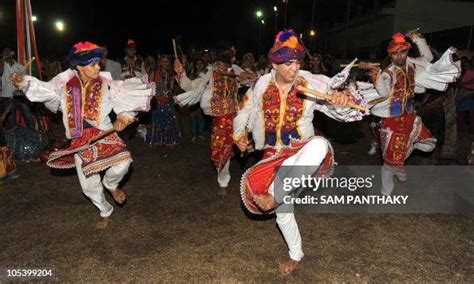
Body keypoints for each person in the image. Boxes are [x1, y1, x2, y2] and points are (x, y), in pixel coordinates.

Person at [233, 29, 367, 274]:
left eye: (297, 62)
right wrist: (239, 133)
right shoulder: (261, 84)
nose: (294, 69)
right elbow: (244, 110)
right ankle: (296, 253)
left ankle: (276, 195)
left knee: (320, 144)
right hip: (273, 155)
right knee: (283, 214)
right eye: (288, 63)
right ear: (274, 63)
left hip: (301, 151)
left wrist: (342, 100)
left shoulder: (310, 82)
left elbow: (337, 94)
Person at [10, 41, 153, 229]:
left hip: (103, 133)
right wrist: (23, 82)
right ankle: (105, 210)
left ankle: (111, 184)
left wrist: (124, 118)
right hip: (80, 139)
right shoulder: (65, 83)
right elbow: (45, 91)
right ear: (78, 66)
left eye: (98, 63)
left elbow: (125, 100)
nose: (98, 67)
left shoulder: (105, 83)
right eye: (92, 64)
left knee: (124, 163)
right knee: (89, 186)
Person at [359, 31, 461, 194]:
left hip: (410, 117)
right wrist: (377, 78)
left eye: (403, 52)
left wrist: (418, 39)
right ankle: (386, 192)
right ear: (390, 54)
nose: (399, 56)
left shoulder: (412, 65)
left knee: (429, 145)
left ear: (407, 51)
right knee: (390, 163)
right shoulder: (388, 73)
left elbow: (427, 57)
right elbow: (384, 93)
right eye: (395, 53)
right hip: (391, 121)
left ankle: (401, 154)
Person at [174, 47, 240, 196]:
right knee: (220, 149)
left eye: (226, 64)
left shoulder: (234, 75)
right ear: (216, 63)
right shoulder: (210, 75)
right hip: (221, 119)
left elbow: (251, 82)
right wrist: (180, 73)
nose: (223, 66)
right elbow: (190, 85)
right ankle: (223, 182)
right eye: (220, 63)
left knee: (239, 145)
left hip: (236, 117)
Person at [146, 55, 179, 146]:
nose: (165, 63)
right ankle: (156, 140)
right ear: (160, 62)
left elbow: (172, 88)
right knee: (156, 120)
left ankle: (169, 140)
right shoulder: (154, 71)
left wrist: (169, 92)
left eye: (167, 61)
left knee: (167, 120)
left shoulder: (171, 74)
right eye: (163, 61)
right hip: (156, 100)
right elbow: (150, 84)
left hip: (166, 99)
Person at [1, 48, 34, 129]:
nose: (6, 53)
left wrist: (27, 95)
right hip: (7, 97)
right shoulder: (2, 65)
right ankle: (16, 139)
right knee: (12, 121)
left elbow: (26, 82)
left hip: (20, 96)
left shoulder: (20, 67)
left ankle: (33, 136)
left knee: (28, 117)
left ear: (12, 54)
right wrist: (2, 60)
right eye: (4, 52)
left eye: (8, 52)